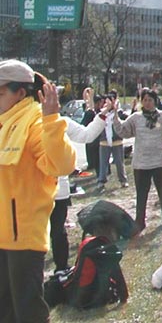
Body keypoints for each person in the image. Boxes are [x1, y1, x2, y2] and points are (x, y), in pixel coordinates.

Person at [0, 60, 75, 323]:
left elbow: (62, 164)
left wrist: (52, 120)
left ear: (20, 92)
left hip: (23, 236)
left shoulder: (34, 122)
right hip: (3, 234)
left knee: (28, 313)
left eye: (0, 93)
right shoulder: (3, 122)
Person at [50, 98, 109, 275]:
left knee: (58, 230)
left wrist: (103, 114)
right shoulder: (25, 124)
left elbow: (86, 135)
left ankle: (61, 268)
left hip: (58, 190)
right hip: (32, 190)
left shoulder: (62, 122)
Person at [113, 89, 162, 233]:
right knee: (141, 194)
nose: (147, 103)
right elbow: (123, 131)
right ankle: (140, 221)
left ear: (155, 101)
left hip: (160, 162)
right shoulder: (135, 118)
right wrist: (114, 115)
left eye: (150, 100)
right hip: (141, 163)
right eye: (144, 100)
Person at [97, 89, 129, 191]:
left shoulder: (119, 112)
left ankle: (123, 180)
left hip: (117, 141)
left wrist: (115, 111)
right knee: (103, 163)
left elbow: (127, 120)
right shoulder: (102, 113)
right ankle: (101, 181)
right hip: (104, 141)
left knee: (119, 163)